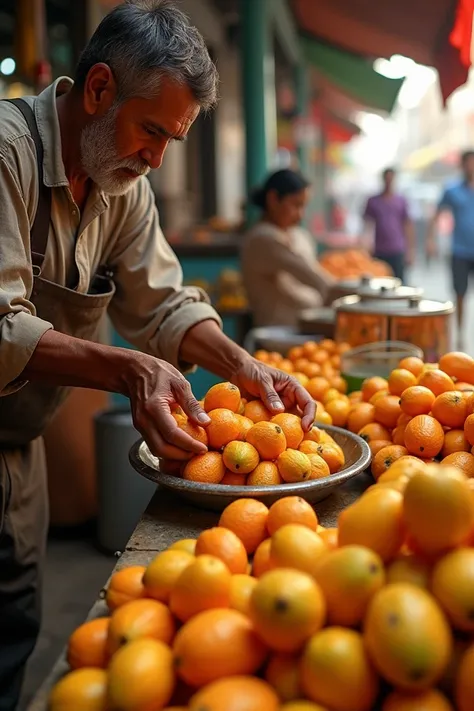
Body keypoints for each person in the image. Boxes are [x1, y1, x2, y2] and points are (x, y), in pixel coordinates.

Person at [0, 2, 315, 708]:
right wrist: (127, 367)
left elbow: (163, 301)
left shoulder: (121, 186)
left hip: (17, 447)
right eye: (151, 131)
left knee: (14, 626)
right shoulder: (6, 156)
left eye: (172, 140)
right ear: (99, 89)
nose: (156, 159)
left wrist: (243, 366)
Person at [241, 169, 339, 328]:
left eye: (303, 206)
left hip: (303, 327)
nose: (300, 215)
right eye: (296, 205)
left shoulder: (296, 234)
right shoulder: (263, 238)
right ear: (273, 200)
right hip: (278, 331)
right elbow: (312, 276)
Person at [426, 150, 474, 343]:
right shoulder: (452, 190)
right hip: (460, 250)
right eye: (468, 163)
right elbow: (437, 214)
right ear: (462, 166)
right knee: (460, 294)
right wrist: (431, 239)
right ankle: (460, 333)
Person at [362, 167, 415, 281]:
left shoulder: (401, 201)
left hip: (397, 248)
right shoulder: (373, 201)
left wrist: (410, 250)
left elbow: (407, 225)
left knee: (399, 282)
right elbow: (367, 224)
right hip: (379, 249)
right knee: (379, 280)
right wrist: (366, 244)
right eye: (387, 178)